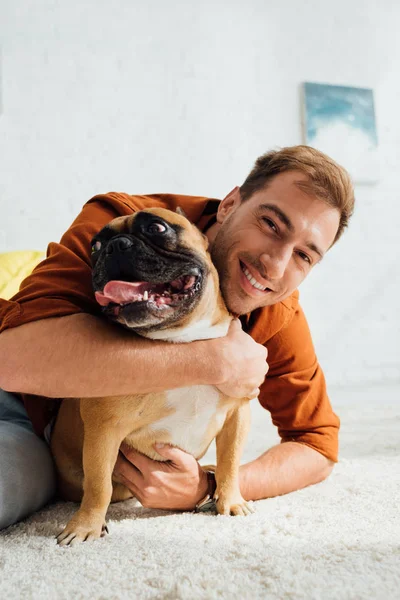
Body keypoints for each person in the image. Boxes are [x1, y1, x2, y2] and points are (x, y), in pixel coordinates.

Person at [0, 145, 355, 529]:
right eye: (270, 224)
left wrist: (209, 485)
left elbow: (317, 445)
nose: (275, 264)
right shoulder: (123, 221)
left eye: (304, 255)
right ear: (230, 203)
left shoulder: (275, 307)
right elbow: (11, 359)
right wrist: (215, 362)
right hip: (21, 406)